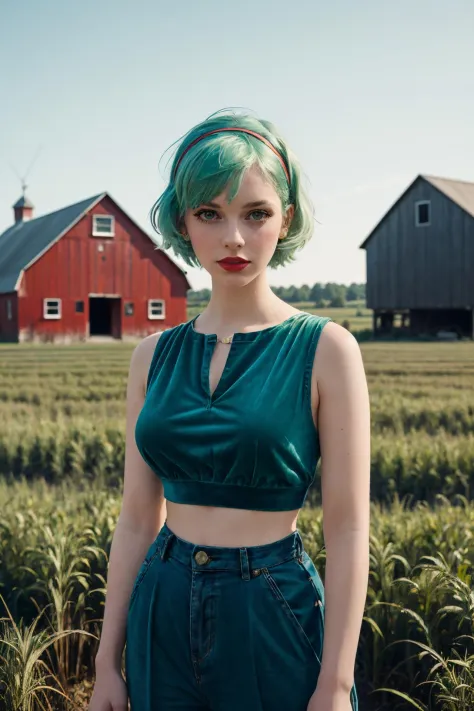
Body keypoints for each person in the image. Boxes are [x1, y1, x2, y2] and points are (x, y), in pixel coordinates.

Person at [88, 110, 370, 711]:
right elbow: (138, 517)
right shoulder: (151, 357)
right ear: (184, 221)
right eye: (210, 214)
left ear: (286, 218)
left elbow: (346, 528)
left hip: (270, 604)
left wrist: (337, 684)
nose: (233, 238)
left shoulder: (327, 349)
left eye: (256, 213)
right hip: (159, 600)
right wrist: (105, 662)